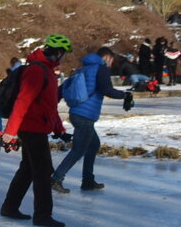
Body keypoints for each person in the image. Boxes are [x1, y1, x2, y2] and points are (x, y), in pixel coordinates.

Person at [0, 34, 72, 227]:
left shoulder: (47, 71)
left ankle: (10, 207)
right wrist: (10, 132)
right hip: (31, 128)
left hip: (38, 126)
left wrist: (59, 129)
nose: (63, 58)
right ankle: (42, 215)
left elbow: (49, 106)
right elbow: (23, 101)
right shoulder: (37, 71)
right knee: (43, 171)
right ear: (57, 53)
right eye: (62, 54)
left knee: (28, 169)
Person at [51, 47, 128, 194]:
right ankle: (56, 179)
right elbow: (107, 90)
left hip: (77, 113)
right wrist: (125, 95)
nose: (111, 64)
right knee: (78, 149)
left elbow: (60, 90)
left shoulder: (81, 70)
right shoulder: (101, 69)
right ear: (107, 58)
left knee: (93, 145)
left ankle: (88, 180)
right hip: (84, 117)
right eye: (111, 60)